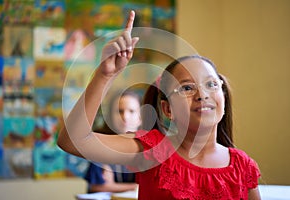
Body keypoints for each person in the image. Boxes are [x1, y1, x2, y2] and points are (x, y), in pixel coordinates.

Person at [58, 10, 261, 199]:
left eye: (211, 84)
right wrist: (104, 75)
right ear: (167, 109)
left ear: (223, 97)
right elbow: (73, 141)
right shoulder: (153, 150)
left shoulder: (244, 167)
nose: (202, 94)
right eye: (187, 88)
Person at [84, 89, 141, 193]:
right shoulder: (100, 146)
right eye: (119, 111)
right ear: (110, 117)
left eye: (132, 111)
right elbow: (96, 187)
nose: (125, 117)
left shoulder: (154, 147)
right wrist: (135, 187)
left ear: (141, 117)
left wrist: (112, 186)